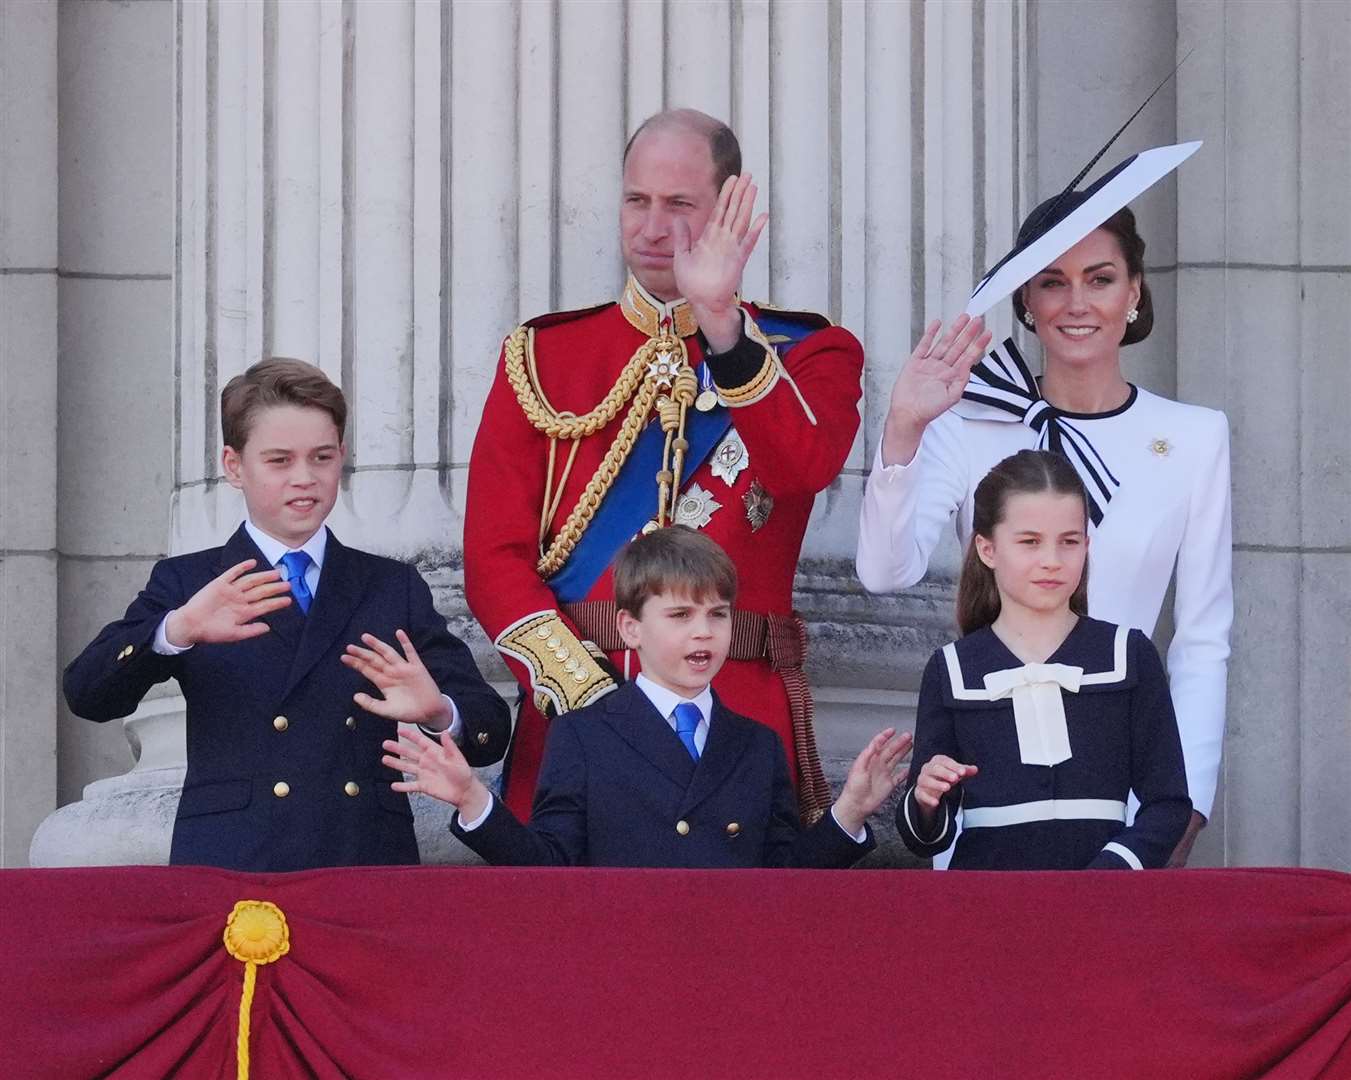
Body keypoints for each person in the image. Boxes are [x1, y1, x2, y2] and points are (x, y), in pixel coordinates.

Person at [466, 108, 966, 825]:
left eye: (678, 205)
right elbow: (492, 558)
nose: (650, 226)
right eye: (636, 201)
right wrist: (588, 696)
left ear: (730, 213)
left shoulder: (810, 354)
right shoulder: (542, 358)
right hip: (575, 715)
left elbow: (799, 468)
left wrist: (721, 325)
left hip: (736, 713)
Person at [857, 198, 1231, 866]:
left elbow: (1201, 640)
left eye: (1099, 277)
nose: (1076, 302)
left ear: (1134, 291)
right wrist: (904, 429)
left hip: (1125, 794)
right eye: (1052, 282)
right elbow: (885, 571)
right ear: (1026, 300)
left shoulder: (1196, 437)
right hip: (989, 782)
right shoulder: (966, 420)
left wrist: (1185, 809)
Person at [63, 359, 510, 871]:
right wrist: (176, 630)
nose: (305, 478)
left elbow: (489, 729)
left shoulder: (389, 586)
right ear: (235, 466)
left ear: (341, 456)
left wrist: (438, 712)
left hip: (362, 857)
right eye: (279, 461)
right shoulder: (189, 582)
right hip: (233, 860)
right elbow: (88, 694)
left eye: (321, 457)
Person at [379, 527, 911, 868]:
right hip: (622, 975)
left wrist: (849, 811)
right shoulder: (584, 734)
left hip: (731, 974)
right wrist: (474, 799)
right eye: (680, 616)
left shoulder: (757, 745)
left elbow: (783, 881)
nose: (703, 633)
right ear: (630, 629)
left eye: (717, 615)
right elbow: (548, 866)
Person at [894, 450, 1191, 869]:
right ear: (987, 549)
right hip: (988, 907)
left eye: (1069, 542)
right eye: (1030, 542)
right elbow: (923, 838)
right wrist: (927, 799)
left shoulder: (1128, 655)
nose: (1052, 560)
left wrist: (1111, 872)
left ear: (1086, 545)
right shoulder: (953, 668)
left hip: (1102, 907)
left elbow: (1169, 802)